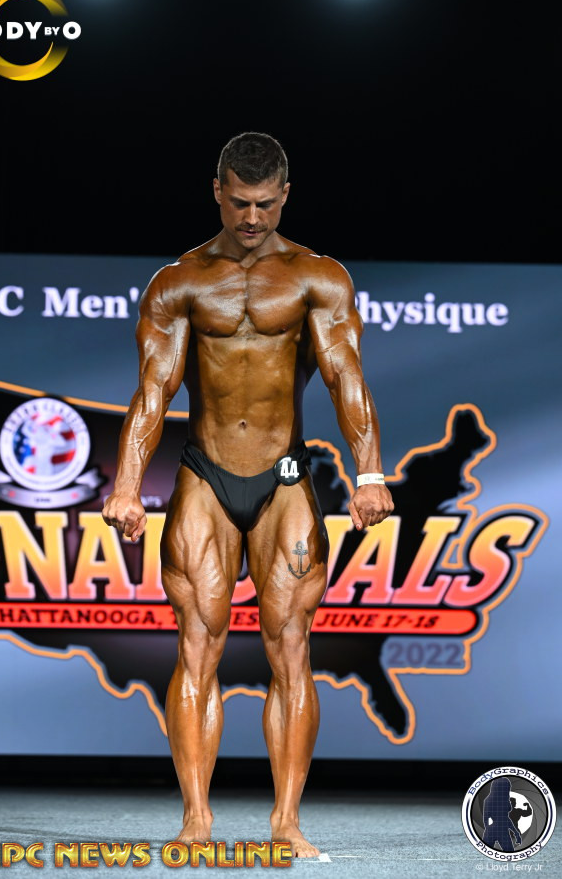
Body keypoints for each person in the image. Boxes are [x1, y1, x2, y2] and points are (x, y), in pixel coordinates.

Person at [102, 132, 394, 857]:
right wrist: (128, 484)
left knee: (290, 646)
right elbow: (153, 390)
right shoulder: (179, 283)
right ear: (217, 192)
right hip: (205, 475)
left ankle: (286, 823)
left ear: (285, 195)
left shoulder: (317, 278)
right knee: (197, 644)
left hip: (283, 476)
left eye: (265, 203)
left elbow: (345, 376)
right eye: (239, 203)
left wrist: (369, 474)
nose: (253, 217)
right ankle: (196, 821)